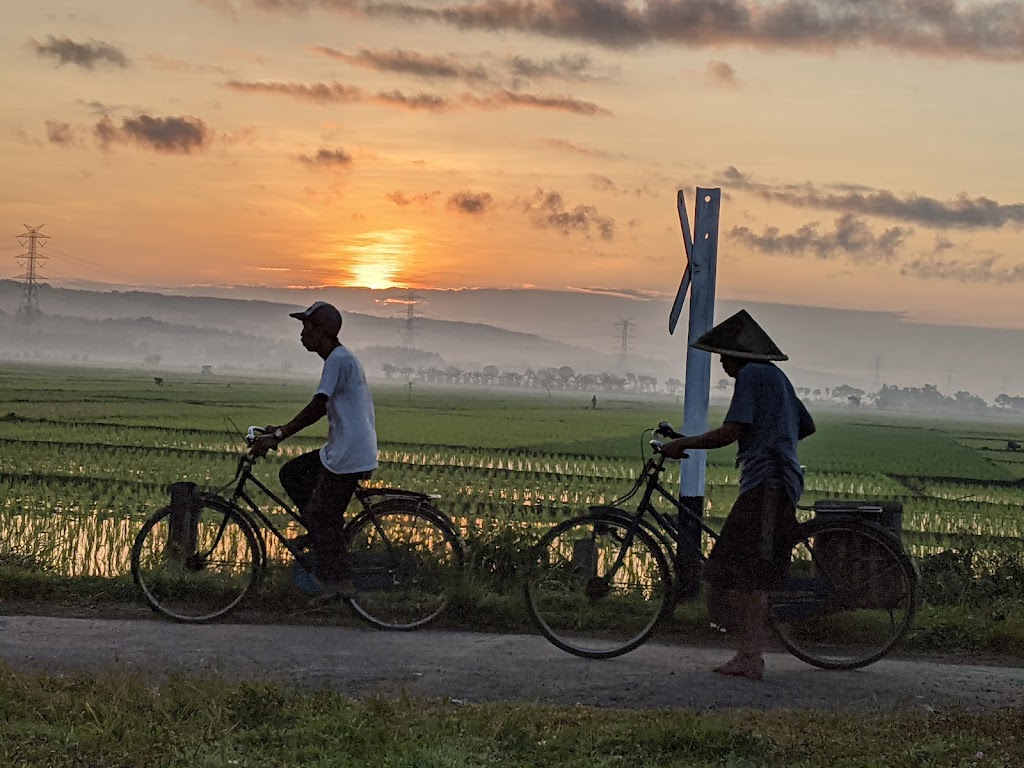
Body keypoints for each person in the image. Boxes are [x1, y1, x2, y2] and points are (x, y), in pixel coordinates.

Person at [659, 309, 815, 681]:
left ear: (739, 354)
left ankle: (751, 657)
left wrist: (686, 443)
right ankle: (750, 651)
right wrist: (775, 436)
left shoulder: (752, 375)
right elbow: (806, 425)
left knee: (748, 574)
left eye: (725, 356)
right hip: (778, 479)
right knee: (739, 569)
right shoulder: (775, 376)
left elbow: (730, 431)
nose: (722, 364)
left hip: (768, 483)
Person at [251, 301, 378, 597]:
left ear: (321, 332)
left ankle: (337, 581)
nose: (302, 333)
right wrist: (278, 430)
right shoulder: (340, 358)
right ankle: (324, 540)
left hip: (348, 454)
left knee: (322, 515)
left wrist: (280, 434)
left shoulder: (337, 359)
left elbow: (318, 406)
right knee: (294, 474)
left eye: (306, 327)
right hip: (344, 448)